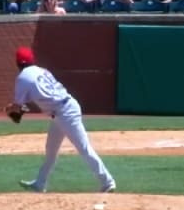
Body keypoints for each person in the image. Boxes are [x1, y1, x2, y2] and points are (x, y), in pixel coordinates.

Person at [8, 46, 116, 194]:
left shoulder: (22, 77)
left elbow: (17, 107)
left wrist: (9, 110)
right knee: (51, 149)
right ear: (32, 59)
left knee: (83, 148)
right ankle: (40, 183)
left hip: (65, 112)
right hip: (62, 110)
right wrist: (17, 109)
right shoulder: (42, 70)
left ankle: (107, 181)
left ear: (17, 63)